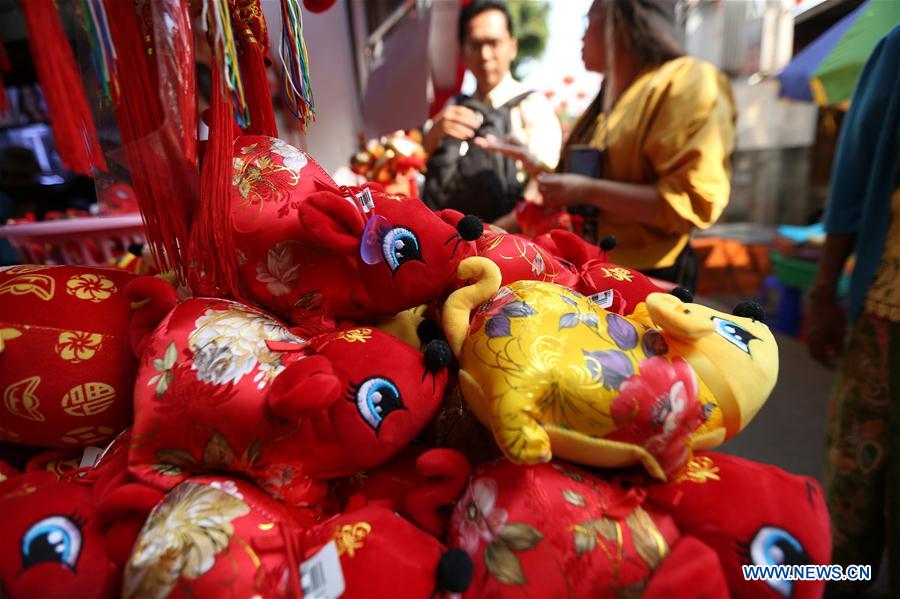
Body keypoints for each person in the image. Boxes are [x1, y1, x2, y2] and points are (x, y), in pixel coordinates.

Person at [481, 0, 736, 291]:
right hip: (592, 267)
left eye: (589, 21)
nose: (582, 35)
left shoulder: (687, 81)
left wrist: (589, 191)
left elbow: (689, 203)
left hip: (650, 276)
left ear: (618, 21)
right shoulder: (608, 97)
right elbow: (586, 184)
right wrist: (533, 164)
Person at [805, 26, 900, 598]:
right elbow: (855, 175)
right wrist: (823, 291)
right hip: (887, 317)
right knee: (852, 511)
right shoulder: (897, 51)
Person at [422, 0, 561, 222]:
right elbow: (421, 160)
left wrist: (500, 232)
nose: (485, 54)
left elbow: (546, 182)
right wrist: (436, 130)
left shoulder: (533, 105)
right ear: (463, 52)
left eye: (493, 43)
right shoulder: (453, 107)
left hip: (512, 245)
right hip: (446, 237)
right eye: (475, 45)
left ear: (512, 47)